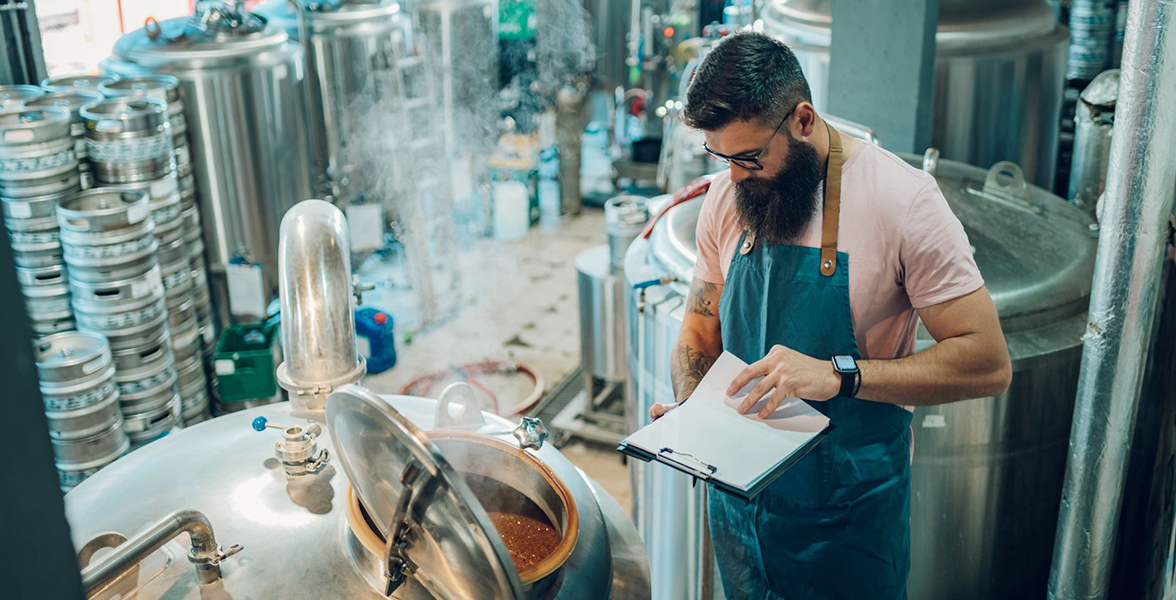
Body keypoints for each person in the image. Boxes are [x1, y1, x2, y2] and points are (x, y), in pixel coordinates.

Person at [647, 32, 1012, 599]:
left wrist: (837, 373)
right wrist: (694, 418)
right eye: (723, 159)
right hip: (742, 510)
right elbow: (699, 329)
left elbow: (988, 363)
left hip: (847, 520)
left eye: (749, 158)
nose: (736, 177)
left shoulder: (904, 202)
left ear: (803, 119)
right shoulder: (727, 198)